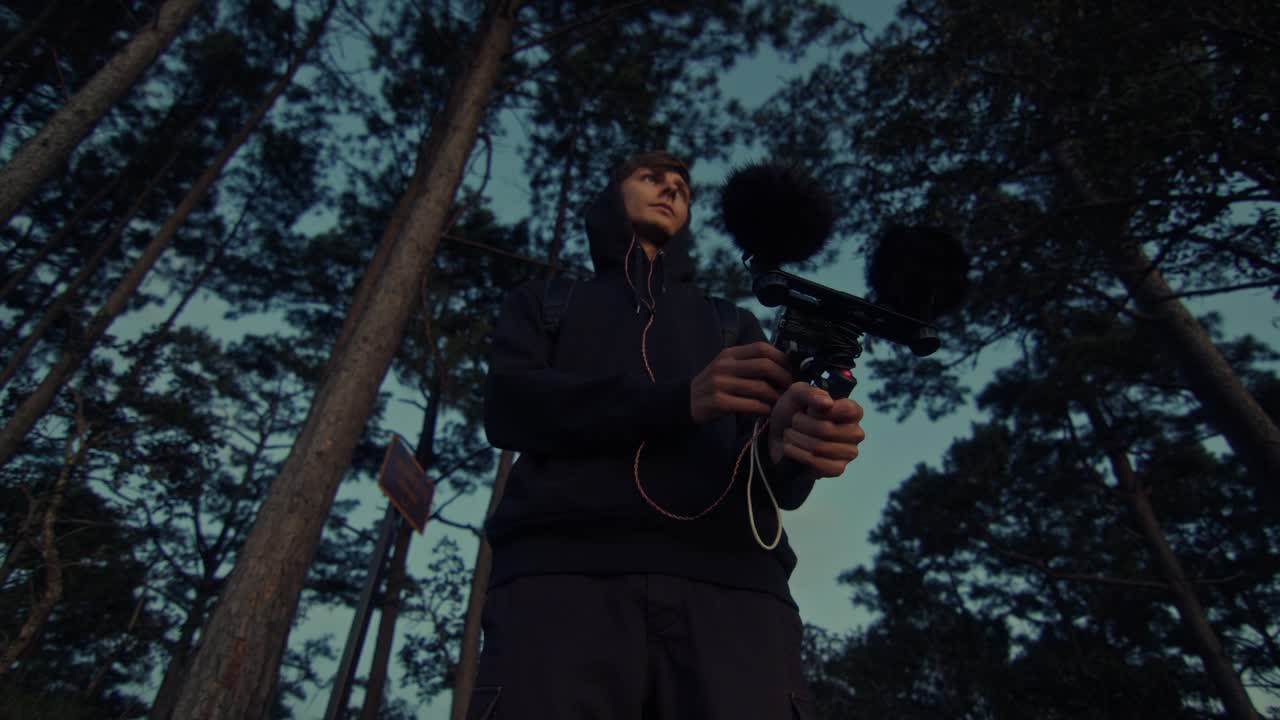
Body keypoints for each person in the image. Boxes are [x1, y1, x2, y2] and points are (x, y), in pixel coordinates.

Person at [472, 151, 865, 719]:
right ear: (611, 197)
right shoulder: (546, 303)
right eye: (650, 178)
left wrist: (792, 449)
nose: (670, 190)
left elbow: (772, 484)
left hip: (736, 597)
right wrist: (679, 400)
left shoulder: (733, 323)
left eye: (681, 186)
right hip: (560, 588)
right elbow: (510, 409)